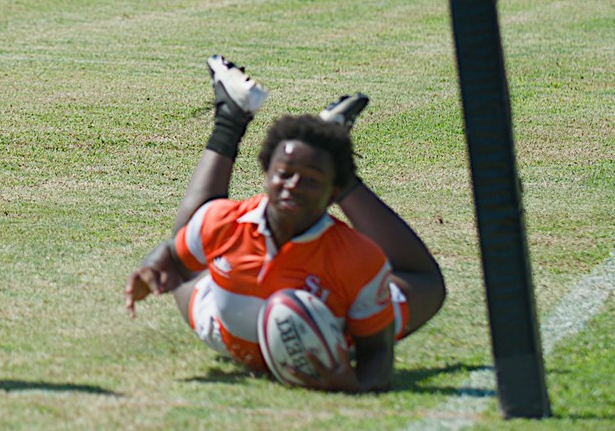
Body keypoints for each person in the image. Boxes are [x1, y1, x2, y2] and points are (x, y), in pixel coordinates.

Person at [125, 55, 445, 393]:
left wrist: (357, 383)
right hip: (225, 329)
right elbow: (173, 262)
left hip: (336, 341)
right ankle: (286, 136)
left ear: (333, 192)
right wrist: (151, 271)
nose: (292, 185)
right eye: (284, 174)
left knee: (425, 283)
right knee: (194, 235)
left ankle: (269, 130)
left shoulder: (358, 258)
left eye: (310, 180)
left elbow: (376, 352)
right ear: (266, 172)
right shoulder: (224, 221)